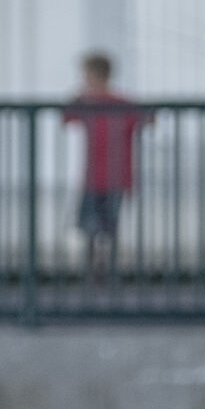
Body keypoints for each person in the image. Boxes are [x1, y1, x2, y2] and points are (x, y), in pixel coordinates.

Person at [67, 51, 144, 280]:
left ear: (97, 76)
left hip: (107, 176)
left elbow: (67, 116)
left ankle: (98, 272)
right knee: (104, 227)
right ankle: (102, 272)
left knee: (99, 227)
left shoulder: (109, 104)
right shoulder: (118, 103)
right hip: (106, 176)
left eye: (87, 75)